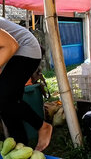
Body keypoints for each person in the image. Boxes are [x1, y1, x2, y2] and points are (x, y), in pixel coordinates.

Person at [0, 17, 52, 151]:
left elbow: (11, 45)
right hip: (12, 54)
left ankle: (42, 126)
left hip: (25, 49)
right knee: (6, 104)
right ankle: (20, 146)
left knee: (4, 97)